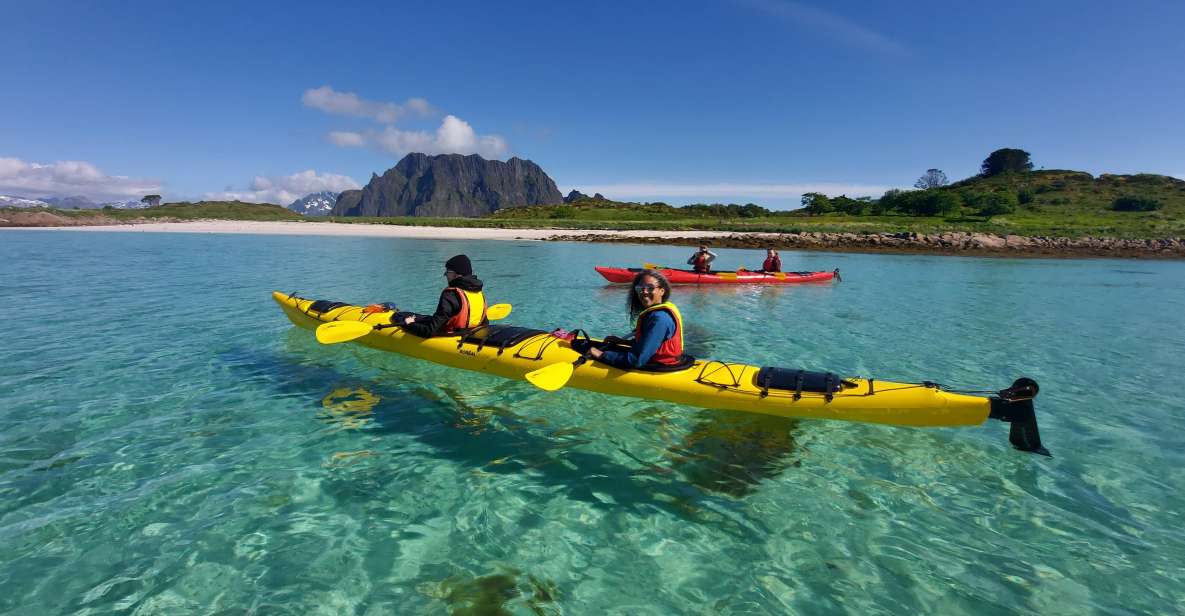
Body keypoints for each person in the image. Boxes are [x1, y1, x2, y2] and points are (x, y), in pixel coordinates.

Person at [589, 269, 685, 369]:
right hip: (656, 360)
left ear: (662, 291)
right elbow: (650, 343)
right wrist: (623, 342)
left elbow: (637, 360)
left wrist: (601, 355)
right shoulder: (657, 313)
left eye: (650, 288)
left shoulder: (660, 319)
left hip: (658, 365)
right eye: (640, 288)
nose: (644, 292)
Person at [398, 254, 487, 337]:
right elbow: (485, 323)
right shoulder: (479, 293)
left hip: (452, 335)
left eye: (448, 271)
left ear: (457, 274)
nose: (445, 275)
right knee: (408, 315)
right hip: (470, 333)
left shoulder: (451, 294)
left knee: (399, 317)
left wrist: (410, 324)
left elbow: (430, 331)